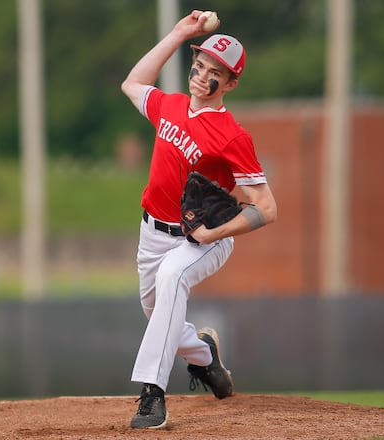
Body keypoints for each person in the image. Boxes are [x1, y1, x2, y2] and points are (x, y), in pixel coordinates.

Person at [120, 10, 277, 430]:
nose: (201, 74)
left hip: (201, 238)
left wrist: (216, 232)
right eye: (200, 64)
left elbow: (266, 206)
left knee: (173, 278)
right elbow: (132, 83)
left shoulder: (232, 136)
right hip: (152, 232)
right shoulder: (169, 107)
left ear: (229, 84)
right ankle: (205, 355)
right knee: (158, 316)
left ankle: (152, 397)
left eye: (215, 72)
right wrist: (178, 33)